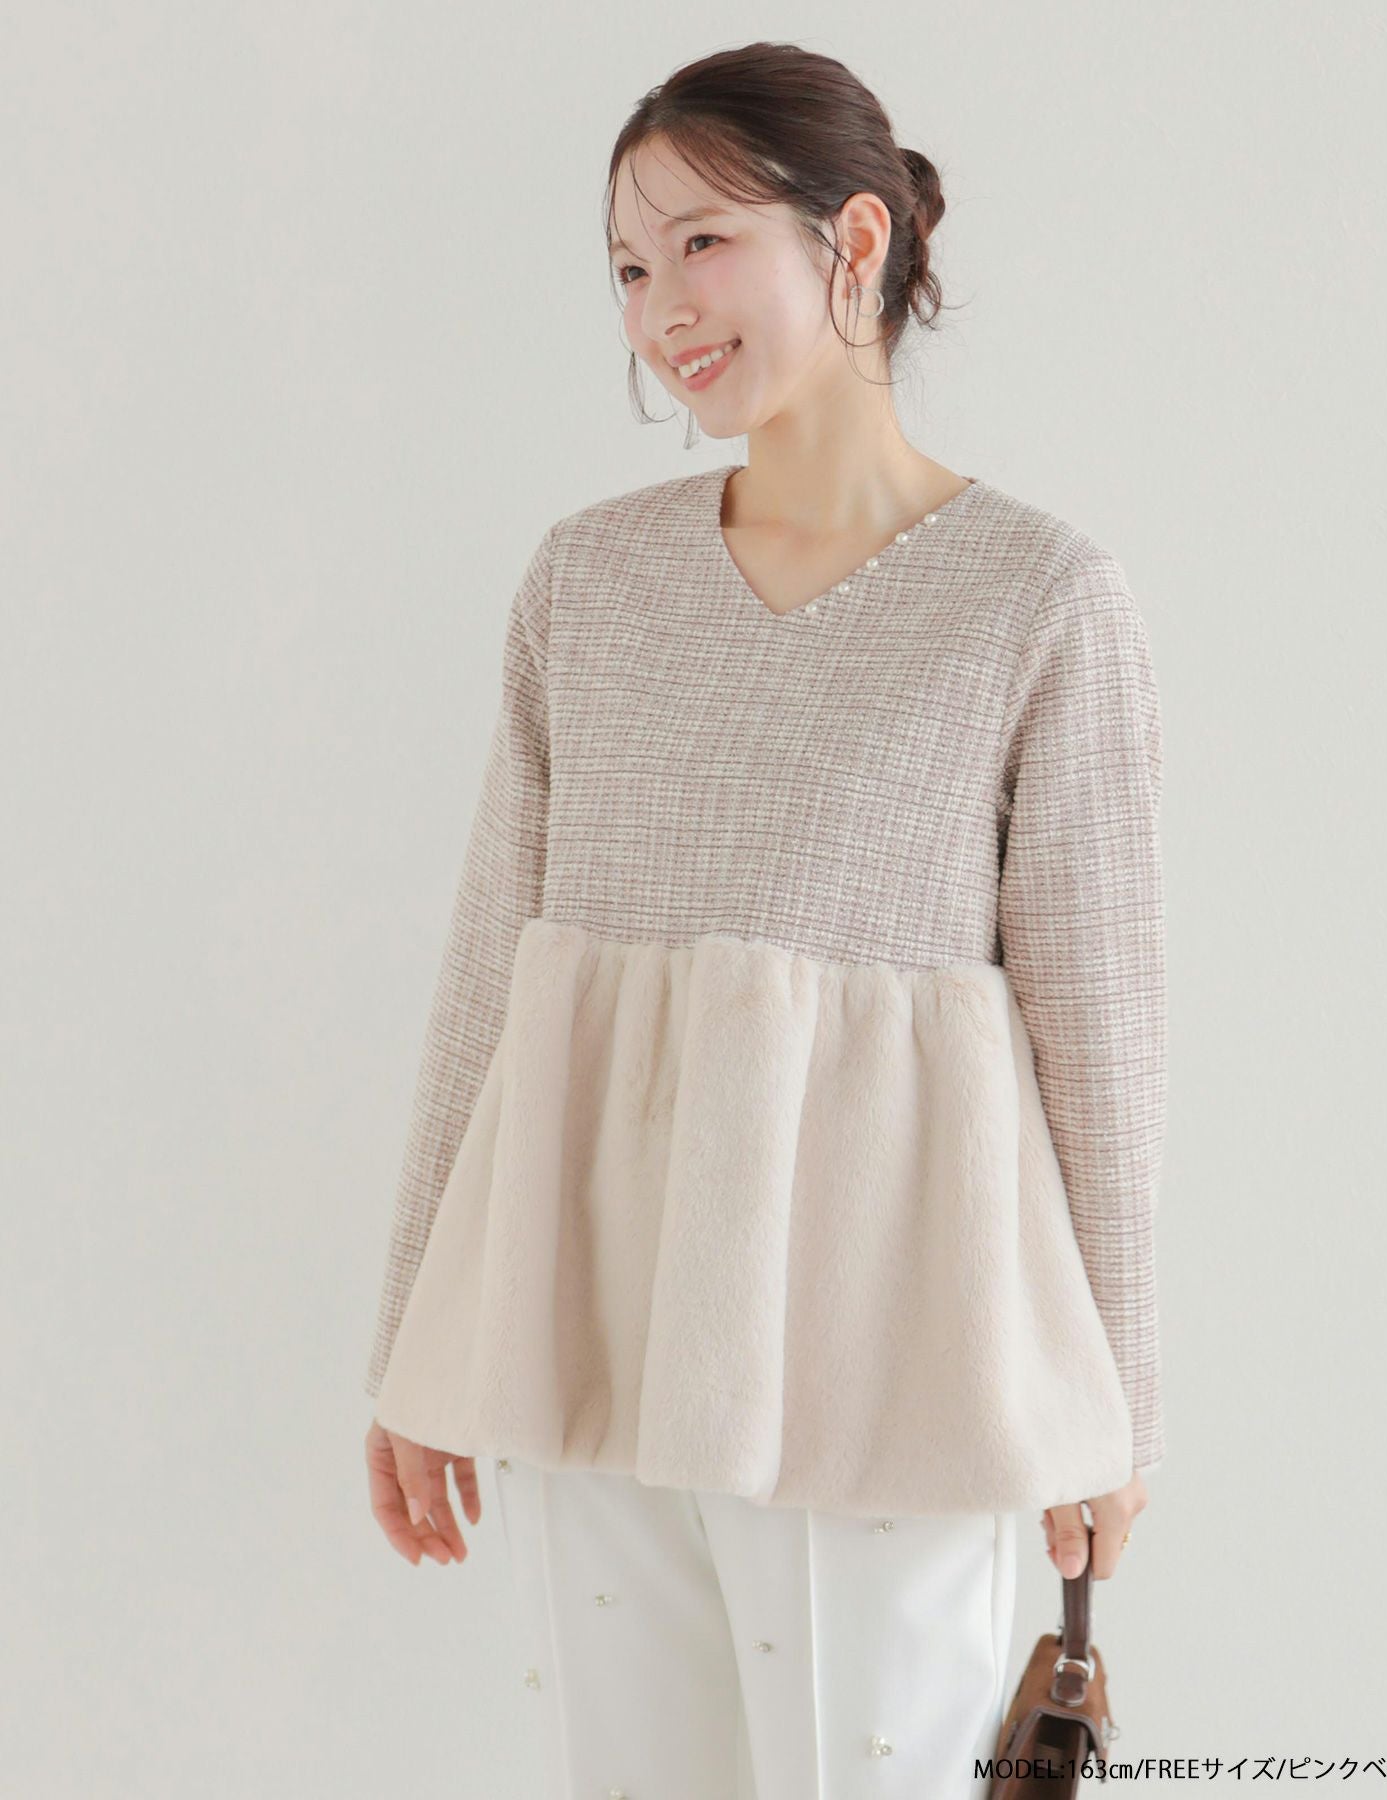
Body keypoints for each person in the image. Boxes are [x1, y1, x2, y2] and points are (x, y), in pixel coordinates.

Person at [361, 40, 1166, 1800]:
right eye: (627, 268)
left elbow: (1099, 1028)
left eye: (702, 244)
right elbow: (491, 969)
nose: (660, 308)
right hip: (600, 1338)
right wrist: (418, 1338)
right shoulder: (588, 578)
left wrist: (1118, 1408)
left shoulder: (1037, 597)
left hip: (900, 1361)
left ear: (854, 241)